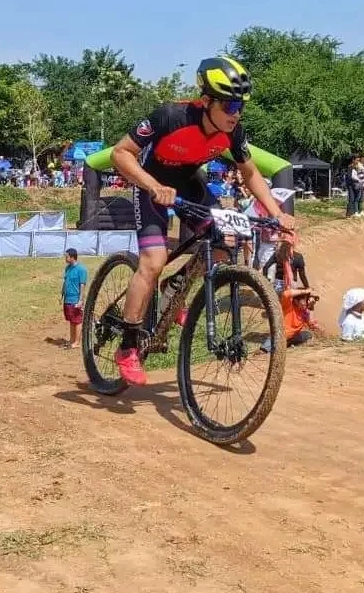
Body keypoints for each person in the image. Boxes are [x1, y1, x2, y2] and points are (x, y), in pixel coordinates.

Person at [106, 56, 295, 386]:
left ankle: (176, 286)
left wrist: (276, 213)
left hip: (189, 184)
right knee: (153, 261)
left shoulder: (233, 132)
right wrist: (152, 186)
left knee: (225, 241)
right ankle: (128, 346)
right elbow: (119, 153)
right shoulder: (170, 116)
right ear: (206, 100)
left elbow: (250, 173)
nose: (236, 113)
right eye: (230, 104)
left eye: (241, 106)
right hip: (151, 185)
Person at [262, 286, 322, 353]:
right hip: (279, 336)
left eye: (307, 300)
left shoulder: (305, 311)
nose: (306, 303)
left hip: (292, 337)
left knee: (307, 334)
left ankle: (286, 344)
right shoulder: (288, 306)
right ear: (296, 301)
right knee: (264, 350)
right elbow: (285, 294)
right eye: (304, 300)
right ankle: (273, 347)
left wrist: (316, 326)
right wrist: (306, 291)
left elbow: (311, 324)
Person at [61, 248, 88, 349]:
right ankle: (72, 340)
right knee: (71, 320)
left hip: (75, 300)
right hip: (67, 299)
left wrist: (80, 300)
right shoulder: (67, 268)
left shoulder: (81, 270)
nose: (65, 258)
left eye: (67, 256)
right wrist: (61, 295)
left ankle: (76, 342)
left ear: (72, 257)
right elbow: (65, 282)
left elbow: (82, 286)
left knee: (77, 321)